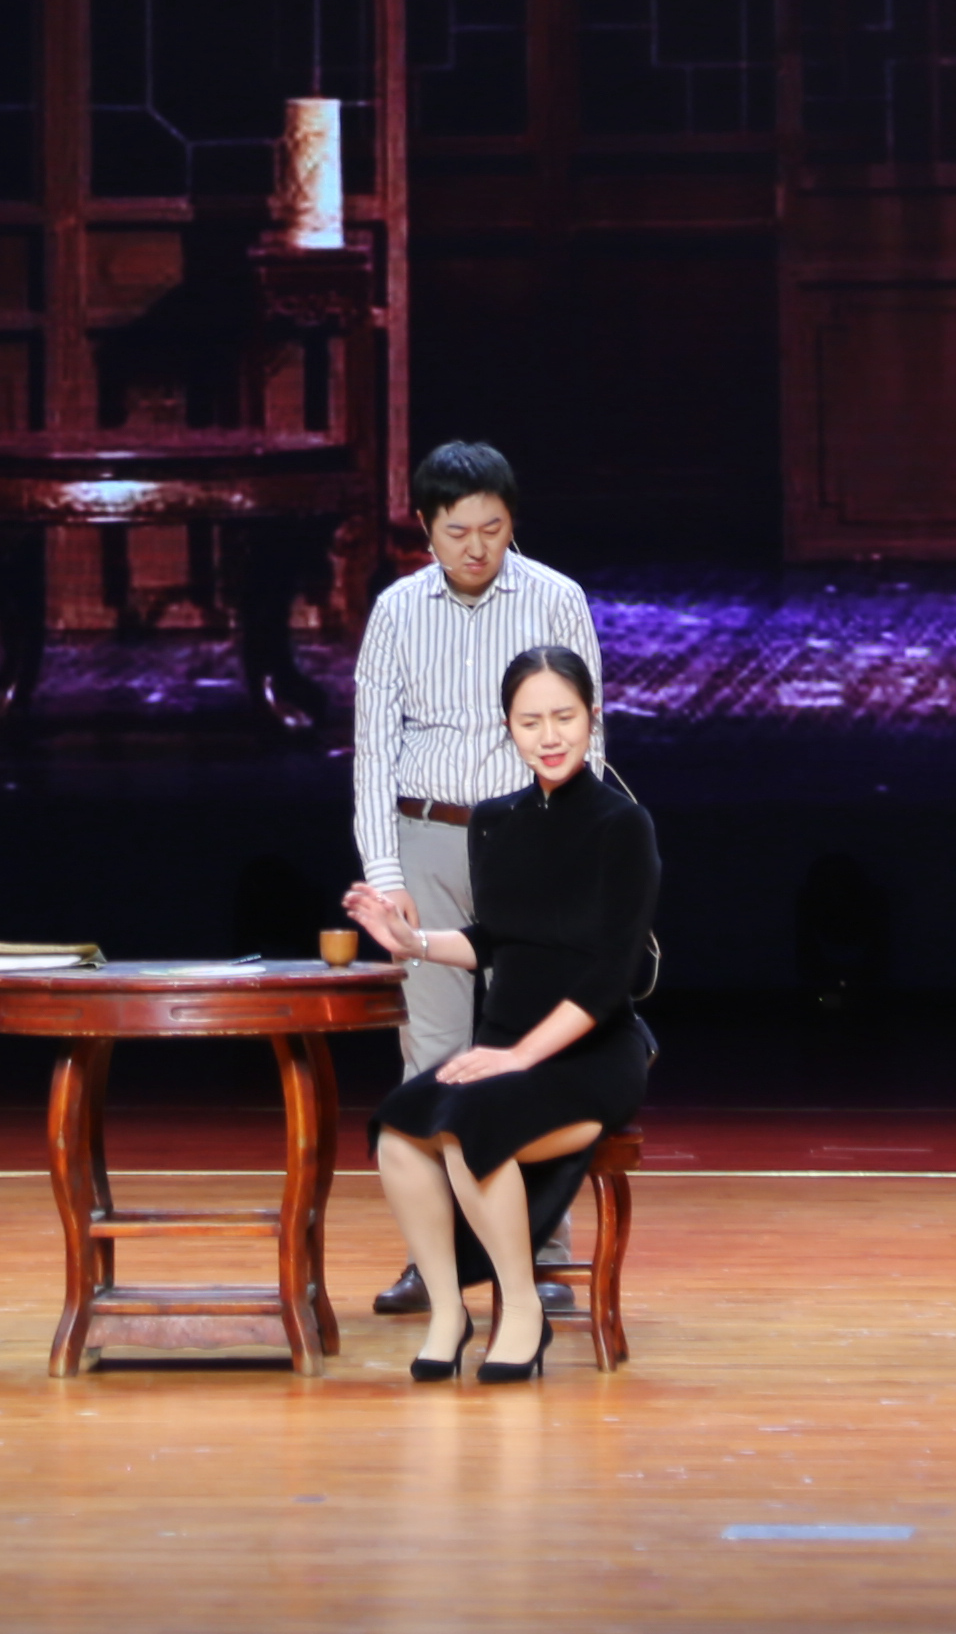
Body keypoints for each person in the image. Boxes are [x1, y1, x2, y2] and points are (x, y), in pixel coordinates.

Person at [344, 437, 603, 1321]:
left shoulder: (555, 597)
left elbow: (589, 732)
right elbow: (373, 753)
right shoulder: (396, 611)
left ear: (511, 522)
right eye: (457, 532)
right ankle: (437, 1260)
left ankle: (544, 1255)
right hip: (426, 841)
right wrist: (385, 874)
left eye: (492, 529)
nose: (476, 548)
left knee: (531, 1045)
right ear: (425, 527)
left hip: (529, 845)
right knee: (434, 1054)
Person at [348, 647, 654, 1383]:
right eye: (530, 721)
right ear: (508, 728)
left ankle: (521, 1310)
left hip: (590, 1054)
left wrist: (520, 1058)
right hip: (506, 1046)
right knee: (397, 1129)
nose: (549, 736)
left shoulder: (622, 824)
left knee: (469, 1125)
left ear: (592, 718)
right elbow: (493, 940)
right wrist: (413, 942)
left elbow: (612, 973)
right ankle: (449, 1311)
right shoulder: (493, 821)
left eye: (564, 717)